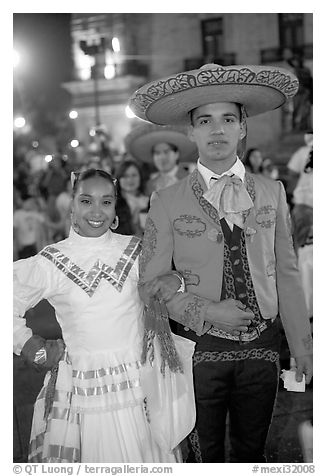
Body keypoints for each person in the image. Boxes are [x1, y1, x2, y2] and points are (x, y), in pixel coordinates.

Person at [129, 63, 313, 463]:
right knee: (203, 456)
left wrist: (303, 346)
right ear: (191, 131)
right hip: (199, 349)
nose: (217, 130)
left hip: (264, 349)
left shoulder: (272, 190)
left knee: (253, 453)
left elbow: (288, 273)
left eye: (228, 119)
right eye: (205, 121)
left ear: (242, 126)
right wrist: (208, 310)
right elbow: (148, 284)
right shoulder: (167, 200)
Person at [13, 168, 183, 463]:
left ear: (116, 208)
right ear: (72, 206)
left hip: (141, 384)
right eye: (86, 200)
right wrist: (33, 349)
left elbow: (177, 275)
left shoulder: (136, 249)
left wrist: (176, 280)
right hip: (83, 390)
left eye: (106, 202)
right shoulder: (52, 260)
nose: (96, 211)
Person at [125, 123, 198, 197]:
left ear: (176, 154)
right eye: (157, 153)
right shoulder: (149, 185)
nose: (162, 157)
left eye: (166, 152)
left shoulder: (192, 181)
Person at [114, 160, 150, 237]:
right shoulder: (114, 204)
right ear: (119, 179)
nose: (130, 180)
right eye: (125, 176)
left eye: (134, 175)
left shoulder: (150, 201)